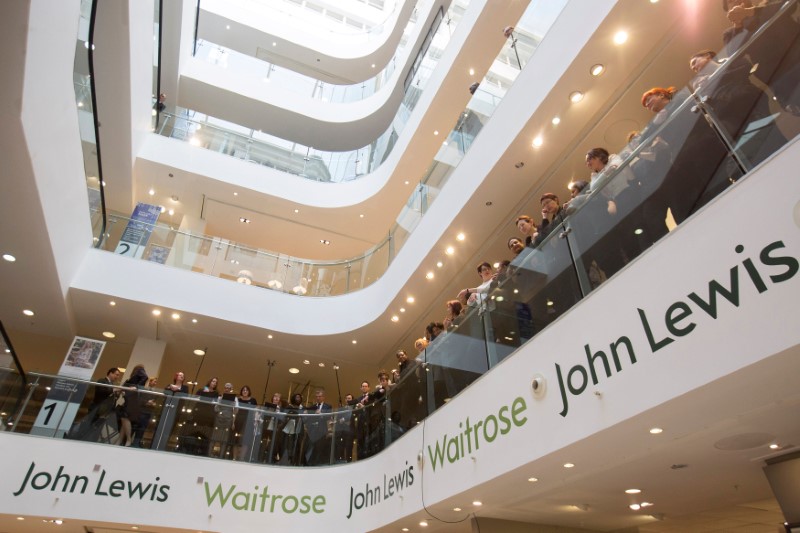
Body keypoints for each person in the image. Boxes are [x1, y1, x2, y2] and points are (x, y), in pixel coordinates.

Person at [118, 364, 149, 447]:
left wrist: (136, 387)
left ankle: (128, 439)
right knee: (124, 417)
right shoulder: (133, 376)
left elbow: (145, 377)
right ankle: (120, 440)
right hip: (130, 398)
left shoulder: (139, 370)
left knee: (124, 416)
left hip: (132, 398)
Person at [304, 389, 332, 466]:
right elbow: (309, 419)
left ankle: (318, 464)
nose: (318, 398)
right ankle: (308, 463)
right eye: (317, 396)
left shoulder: (328, 406)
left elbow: (329, 416)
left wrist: (321, 413)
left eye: (320, 396)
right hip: (312, 430)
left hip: (322, 430)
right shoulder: (312, 407)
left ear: (323, 397)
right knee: (310, 447)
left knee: (320, 448)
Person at [232, 385, 257, 461]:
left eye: (246, 390)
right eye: (243, 390)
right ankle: (234, 457)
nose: (245, 391)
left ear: (249, 392)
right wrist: (233, 422)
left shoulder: (253, 400)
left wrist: (255, 422)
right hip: (239, 420)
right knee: (236, 440)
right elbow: (235, 412)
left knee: (245, 440)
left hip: (249, 421)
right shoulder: (238, 400)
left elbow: (255, 412)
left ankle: (242, 458)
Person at [281, 393, 305, 465]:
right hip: (289, 428)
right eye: (296, 397)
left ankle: (295, 462)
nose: (298, 398)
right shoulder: (289, 407)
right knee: (287, 444)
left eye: (299, 397)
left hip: (299, 429)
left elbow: (305, 419)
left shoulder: (302, 408)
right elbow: (284, 416)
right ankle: (285, 460)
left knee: (297, 445)